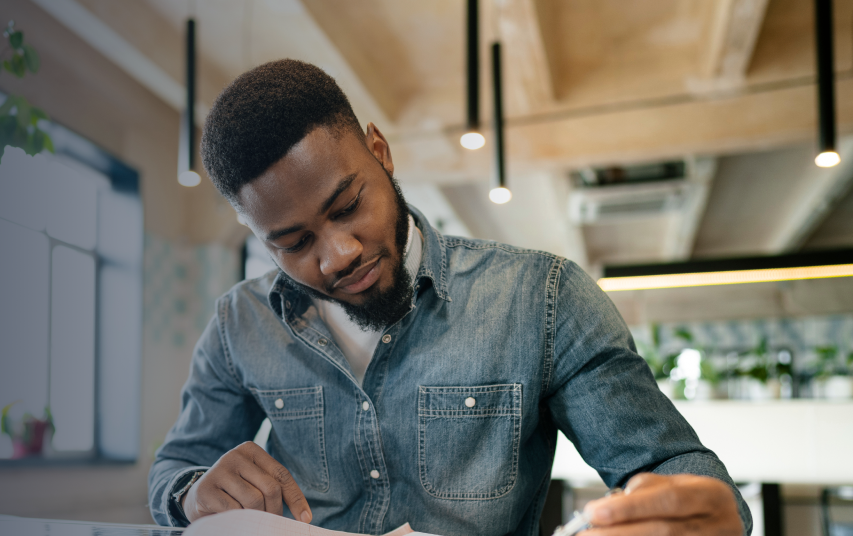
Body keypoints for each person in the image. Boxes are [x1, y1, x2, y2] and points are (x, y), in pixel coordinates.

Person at [147, 59, 750, 536]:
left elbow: (682, 474)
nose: (338, 255)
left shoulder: (542, 299)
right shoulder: (238, 322)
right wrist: (192, 491)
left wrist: (693, 510)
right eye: (294, 242)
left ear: (379, 151)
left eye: (348, 206)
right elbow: (172, 472)